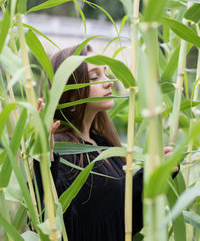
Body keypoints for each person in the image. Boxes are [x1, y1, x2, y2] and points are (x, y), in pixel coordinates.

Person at [34, 44, 178, 241]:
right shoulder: (61, 149)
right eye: (95, 77)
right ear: (72, 91)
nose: (109, 82)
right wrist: (45, 157)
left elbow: (121, 216)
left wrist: (155, 172)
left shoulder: (101, 143)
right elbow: (51, 219)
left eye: (106, 73)